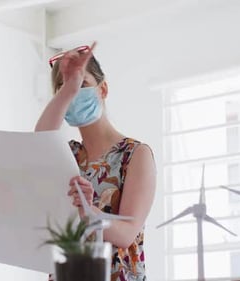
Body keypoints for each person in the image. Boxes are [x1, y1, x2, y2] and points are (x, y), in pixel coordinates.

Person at [36, 43, 156, 281]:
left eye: (83, 84)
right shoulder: (67, 154)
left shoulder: (135, 154)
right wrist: (69, 88)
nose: (73, 92)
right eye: (61, 88)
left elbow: (127, 234)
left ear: (103, 89)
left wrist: (89, 213)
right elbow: (39, 141)